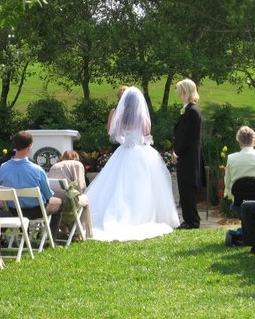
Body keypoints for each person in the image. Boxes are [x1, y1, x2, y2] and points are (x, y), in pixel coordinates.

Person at [86, 87, 179, 241]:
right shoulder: (142, 116)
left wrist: (125, 141)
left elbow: (115, 134)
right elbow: (147, 133)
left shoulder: (121, 117)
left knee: (119, 185)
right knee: (142, 185)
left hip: (124, 151)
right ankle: (141, 214)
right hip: (141, 152)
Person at [0, 131, 63, 239]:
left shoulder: (3, 167)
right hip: (36, 211)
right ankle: (51, 239)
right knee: (59, 202)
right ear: (29, 146)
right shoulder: (37, 170)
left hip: (13, 210)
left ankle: (25, 236)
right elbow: (48, 196)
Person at [172, 79, 203, 230]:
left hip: (188, 157)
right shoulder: (188, 110)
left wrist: (176, 152)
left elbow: (187, 136)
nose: (178, 93)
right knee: (184, 188)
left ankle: (192, 221)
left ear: (185, 91)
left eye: (179, 90)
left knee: (188, 188)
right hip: (186, 156)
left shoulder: (192, 111)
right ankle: (188, 219)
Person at [224, 126, 255, 209]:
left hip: (239, 199)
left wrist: (229, 193)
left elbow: (227, 181)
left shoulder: (231, 158)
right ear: (254, 140)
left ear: (239, 142)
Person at [107, 86, 128, 153]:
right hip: (117, 143)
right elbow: (109, 130)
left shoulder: (131, 112)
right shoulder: (113, 111)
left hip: (128, 142)